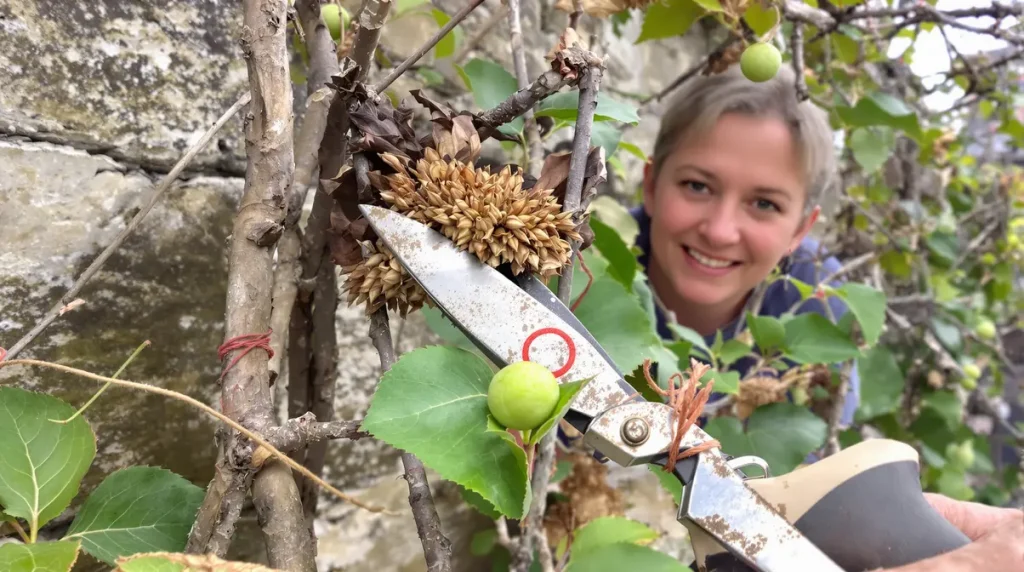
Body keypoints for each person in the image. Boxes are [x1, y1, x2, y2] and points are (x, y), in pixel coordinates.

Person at [628, 62, 1023, 571]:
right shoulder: (580, 268)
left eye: (764, 204)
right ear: (651, 186)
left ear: (801, 229)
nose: (721, 230)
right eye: (698, 186)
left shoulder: (821, 305)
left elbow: (813, 493)